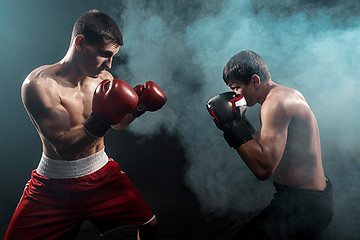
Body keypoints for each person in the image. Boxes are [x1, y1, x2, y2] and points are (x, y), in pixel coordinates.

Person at [5, 9, 167, 240]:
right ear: (79, 43)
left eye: (113, 56)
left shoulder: (104, 80)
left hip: (101, 173)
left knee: (150, 226)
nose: (109, 65)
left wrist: (139, 108)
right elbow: (65, 148)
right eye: (104, 54)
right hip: (54, 186)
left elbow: (118, 124)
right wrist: (101, 120)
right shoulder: (40, 85)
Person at [206, 50, 333, 239]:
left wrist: (231, 126)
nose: (235, 95)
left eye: (236, 88)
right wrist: (241, 124)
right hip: (304, 197)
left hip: (304, 204)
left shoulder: (276, 104)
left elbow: (263, 169)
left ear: (255, 80)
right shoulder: (285, 95)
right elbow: (262, 145)